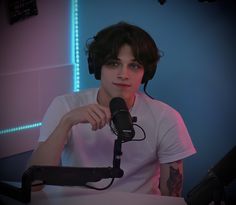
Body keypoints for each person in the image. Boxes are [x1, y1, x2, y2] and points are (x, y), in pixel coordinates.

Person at [28, 21, 196, 196]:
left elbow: (172, 196)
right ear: (96, 66)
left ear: (146, 73)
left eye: (134, 66)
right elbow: (34, 184)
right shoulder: (64, 106)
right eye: (114, 63)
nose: (123, 74)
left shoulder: (165, 117)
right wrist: (67, 122)